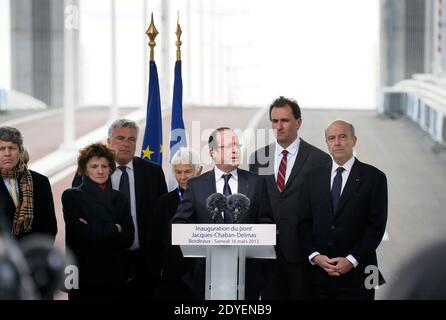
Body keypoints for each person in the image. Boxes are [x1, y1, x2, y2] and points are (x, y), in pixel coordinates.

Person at [172, 127, 274, 300]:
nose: (235, 150)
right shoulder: (196, 185)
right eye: (228, 146)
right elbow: (180, 223)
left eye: (237, 145)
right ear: (212, 152)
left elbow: (266, 221)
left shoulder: (256, 183)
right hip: (205, 275)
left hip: (247, 275)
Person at [73, 119, 168, 298]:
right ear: (109, 142)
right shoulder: (88, 173)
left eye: (131, 139)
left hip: (144, 263)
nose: (126, 144)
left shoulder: (153, 172)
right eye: (120, 138)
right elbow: (77, 222)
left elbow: (161, 218)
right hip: (102, 263)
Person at [249, 96, 331, 299]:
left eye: (284, 120)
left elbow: (323, 211)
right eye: (274, 121)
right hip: (266, 256)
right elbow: (256, 203)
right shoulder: (259, 158)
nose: (279, 126)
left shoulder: (319, 160)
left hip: (304, 257)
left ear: (298, 122)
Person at [297, 120, 388, 300]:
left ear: (354, 140)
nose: (337, 142)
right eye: (331, 138)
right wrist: (315, 256)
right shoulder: (312, 177)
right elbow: (303, 223)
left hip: (358, 276)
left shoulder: (374, 178)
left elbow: (375, 228)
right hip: (318, 276)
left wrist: (351, 260)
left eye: (343, 137)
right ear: (327, 143)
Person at [63, 143, 134, 299]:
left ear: (111, 168)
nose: (100, 171)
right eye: (94, 166)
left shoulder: (119, 198)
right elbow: (81, 236)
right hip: (84, 277)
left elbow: (128, 238)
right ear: (84, 169)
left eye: (104, 166)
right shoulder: (72, 196)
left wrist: (94, 229)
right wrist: (115, 229)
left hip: (115, 277)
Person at [154, 147, 202, 299]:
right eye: (178, 172)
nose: (182, 177)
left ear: (199, 170)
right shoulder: (164, 202)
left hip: (201, 271)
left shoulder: (211, 200)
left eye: (187, 171)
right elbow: (156, 239)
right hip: (172, 272)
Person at [0, 126, 57, 242]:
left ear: (20, 151)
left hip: (33, 255)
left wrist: (37, 254)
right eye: (1, 149)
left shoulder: (40, 182)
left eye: (12, 148)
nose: (7, 153)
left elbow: (49, 226)